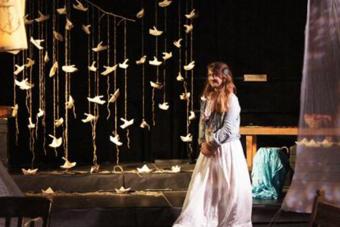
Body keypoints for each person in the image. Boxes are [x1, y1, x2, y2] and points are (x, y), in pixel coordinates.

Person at [173, 62, 252, 227]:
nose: (212, 78)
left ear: (224, 76)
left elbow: (229, 129)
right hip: (209, 149)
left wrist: (212, 143)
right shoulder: (207, 98)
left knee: (228, 189)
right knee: (205, 188)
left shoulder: (232, 99)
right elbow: (202, 123)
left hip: (226, 149)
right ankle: (206, 219)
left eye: (216, 75)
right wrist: (202, 142)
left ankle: (228, 221)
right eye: (210, 75)